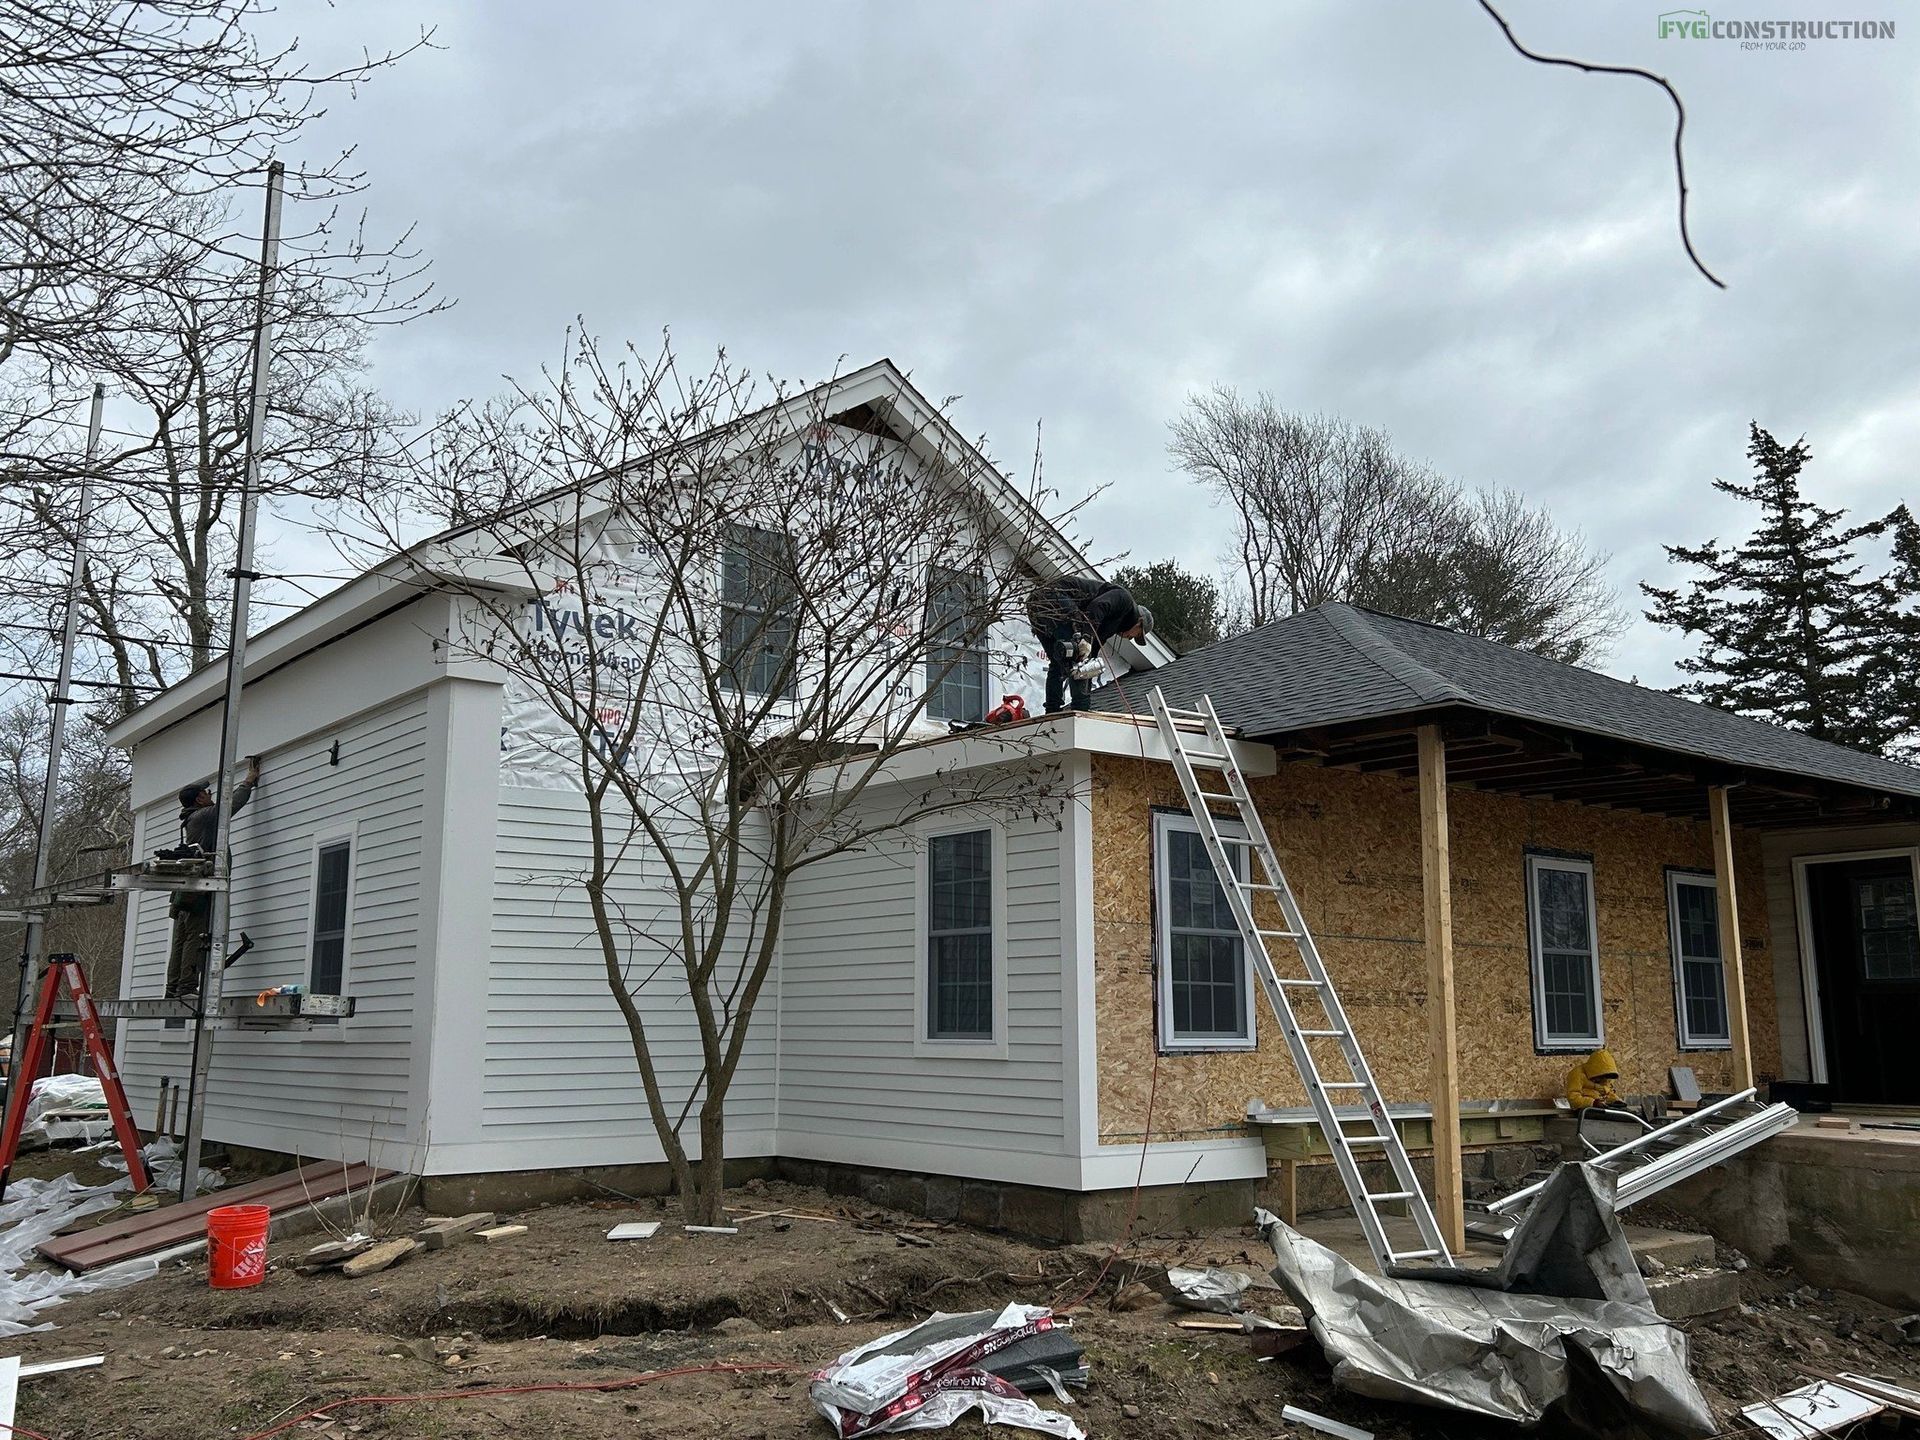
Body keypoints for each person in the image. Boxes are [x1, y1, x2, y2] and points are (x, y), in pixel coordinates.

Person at [164, 755, 260, 998]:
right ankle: (186, 988)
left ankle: (173, 988)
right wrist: (248, 781)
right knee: (194, 937)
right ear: (199, 798)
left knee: (181, 939)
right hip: (198, 890)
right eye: (207, 793)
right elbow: (230, 806)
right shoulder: (204, 815)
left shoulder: (192, 818)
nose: (210, 795)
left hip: (185, 890)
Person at [1024, 576, 1154, 714]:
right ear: (1138, 622)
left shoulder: (1110, 627)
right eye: (1137, 635)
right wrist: (1086, 637)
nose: (1131, 638)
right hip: (1053, 596)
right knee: (1077, 655)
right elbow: (1097, 606)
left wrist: (1089, 664)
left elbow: (1091, 653)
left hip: (1037, 607)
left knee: (1060, 660)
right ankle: (1081, 710)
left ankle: (1052, 710)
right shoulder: (1124, 599)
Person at [1564, 1047, 1624, 1112]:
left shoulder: (1606, 1076)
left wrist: (1615, 1100)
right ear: (1595, 1071)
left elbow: (1608, 1092)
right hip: (1584, 1109)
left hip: (1602, 1107)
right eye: (1601, 1076)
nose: (1603, 1079)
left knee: (1628, 1114)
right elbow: (1573, 1098)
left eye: (1605, 1077)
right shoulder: (1577, 1074)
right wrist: (1593, 1103)